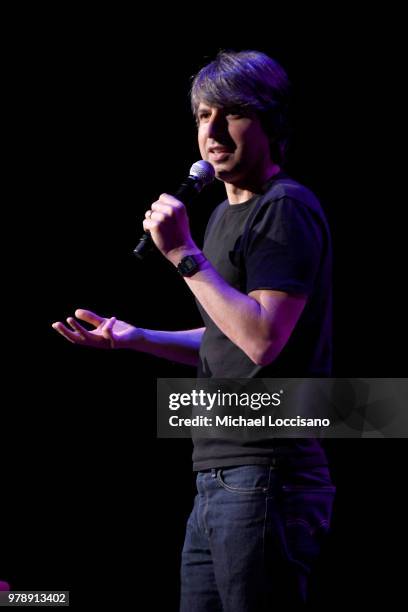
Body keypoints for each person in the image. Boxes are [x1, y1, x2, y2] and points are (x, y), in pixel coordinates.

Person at [52, 50, 335, 610]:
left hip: (267, 469)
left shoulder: (285, 207)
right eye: (203, 115)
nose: (212, 129)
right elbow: (229, 339)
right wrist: (136, 338)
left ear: (271, 121)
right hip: (220, 471)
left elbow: (263, 339)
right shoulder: (223, 214)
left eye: (231, 113)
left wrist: (183, 252)